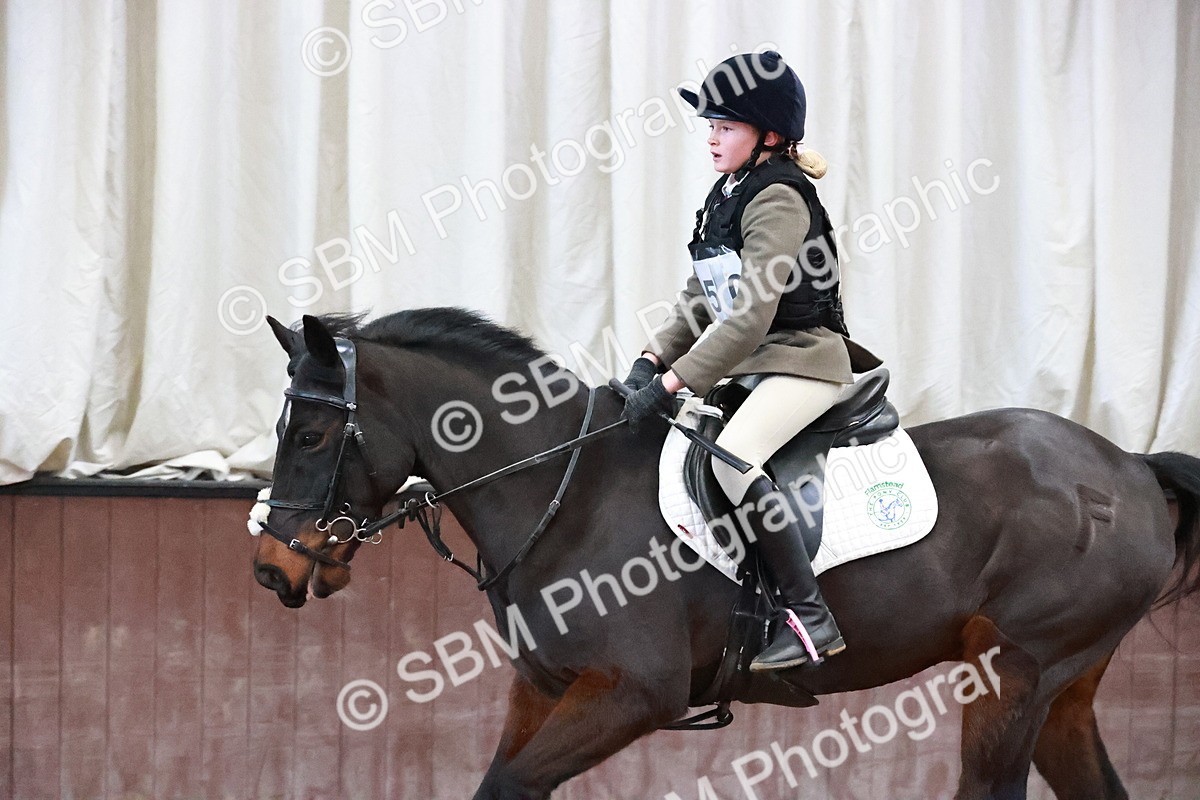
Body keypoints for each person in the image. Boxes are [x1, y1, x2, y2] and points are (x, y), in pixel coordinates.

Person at [621, 51, 882, 671]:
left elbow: (748, 317)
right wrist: (651, 355)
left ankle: (810, 613)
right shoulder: (729, 191)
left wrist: (675, 380)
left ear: (768, 135)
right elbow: (702, 294)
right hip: (755, 364)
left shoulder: (779, 200)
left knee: (733, 461)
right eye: (710, 124)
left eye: (727, 126)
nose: (712, 138)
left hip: (803, 362)